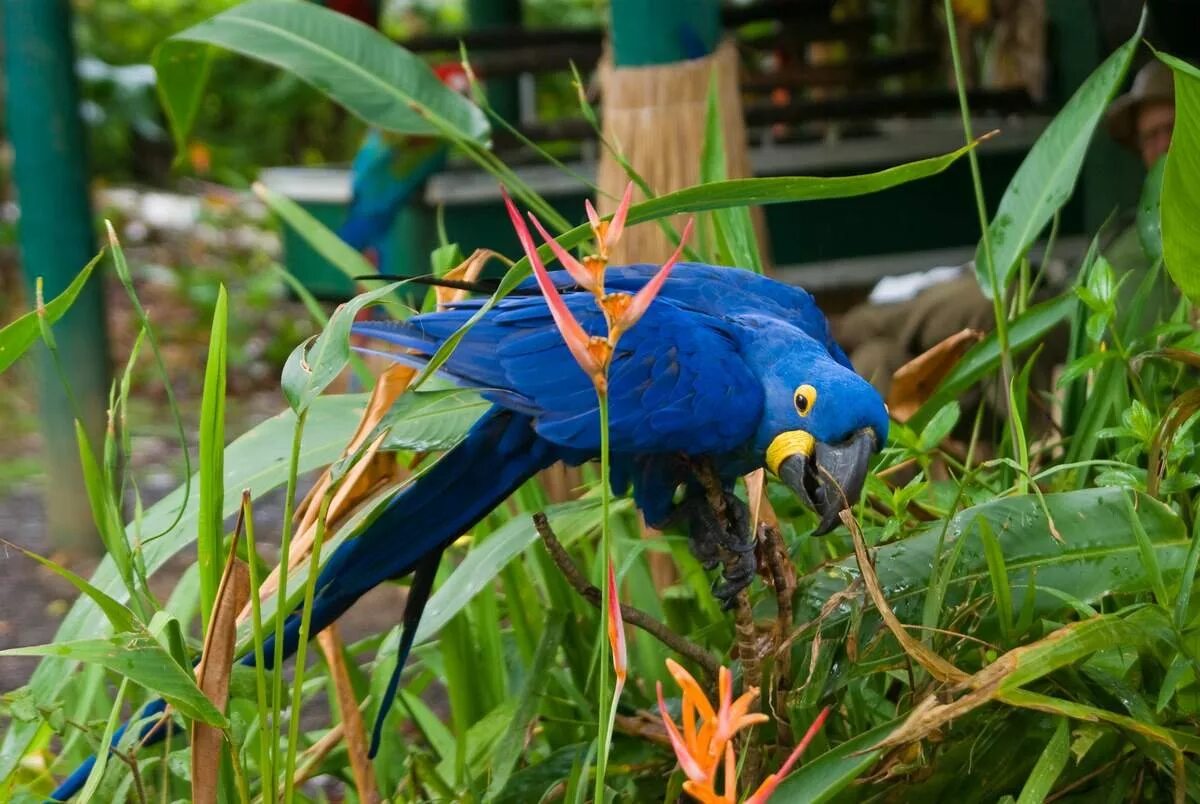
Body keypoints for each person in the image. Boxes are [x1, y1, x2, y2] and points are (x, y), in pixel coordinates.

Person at [834, 59, 1176, 407]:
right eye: (1150, 136)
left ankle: (841, 331)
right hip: (1052, 309)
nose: (1161, 146)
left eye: (1171, 129)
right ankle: (846, 374)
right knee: (877, 358)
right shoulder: (1135, 219)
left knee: (990, 306)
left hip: (1081, 337)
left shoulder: (1184, 219)